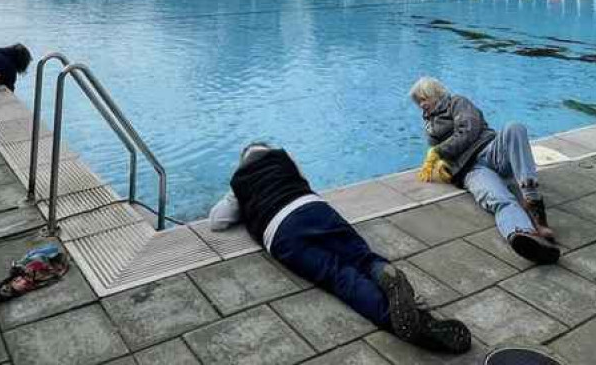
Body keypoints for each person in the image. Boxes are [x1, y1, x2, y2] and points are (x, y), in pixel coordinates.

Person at [209, 143, 471, 354]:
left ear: (243, 160)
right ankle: (392, 281)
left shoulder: (240, 180)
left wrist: (241, 200)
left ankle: (412, 324)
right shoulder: (283, 157)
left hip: (282, 231)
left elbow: (218, 221)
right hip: (314, 208)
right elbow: (304, 181)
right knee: (363, 258)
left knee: (339, 276)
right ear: (267, 150)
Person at [410, 77, 560, 265]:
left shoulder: (457, 102)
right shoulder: (429, 125)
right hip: (471, 170)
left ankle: (534, 203)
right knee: (499, 200)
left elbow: (469, 130)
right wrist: (441, 164)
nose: (421, 105)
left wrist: (439, 151)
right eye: (418, 102)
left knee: (515, 128)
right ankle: (522, 234)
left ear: (436, 94)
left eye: (424, 98)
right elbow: (440, 153)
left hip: (491, 150)